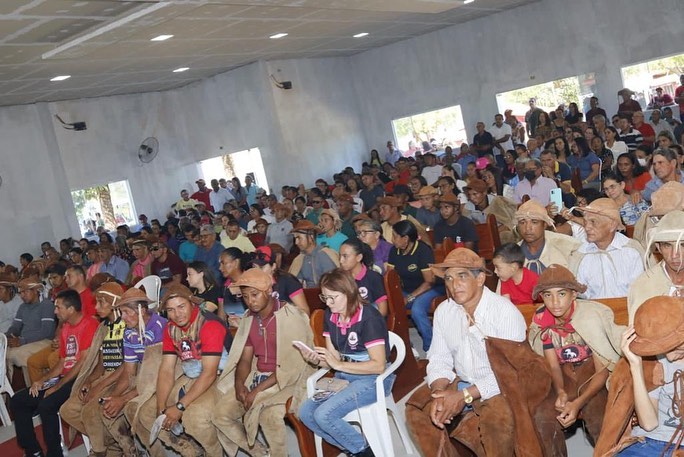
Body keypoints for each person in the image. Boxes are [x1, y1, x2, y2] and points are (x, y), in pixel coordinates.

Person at [407, 248, 527, 456]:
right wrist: (439, 392)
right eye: (449, 278)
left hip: (500, 386)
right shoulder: (444, 310)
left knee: (497, 420)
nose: (454, 285)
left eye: (462, 276)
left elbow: (511, 373)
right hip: (462, 380)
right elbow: (438, 357)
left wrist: (463, 396)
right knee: (417, 409)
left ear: (480, 279)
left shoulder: (503, 312)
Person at [213, 268, 313, 457]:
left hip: (287, 380)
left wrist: (256, 392)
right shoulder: (248, 319)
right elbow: (245, 358)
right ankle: (260, 453)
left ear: (268, 291)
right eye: (245, 296)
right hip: (259, 376)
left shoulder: (290, 316)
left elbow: (292, 367)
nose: (250, 301)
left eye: (255, 294)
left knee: (268, 416)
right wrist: (239, 384)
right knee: (220, 414)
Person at [298, 269, 392, 457]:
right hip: (345, 376)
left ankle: (363, 453)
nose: (329, 303)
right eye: (325, 297)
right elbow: (332, 361)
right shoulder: (330, 315)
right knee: (306, 413)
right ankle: (357, 449)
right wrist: (317, 360)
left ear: (348, 293)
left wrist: (338, 365)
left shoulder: (369, 317)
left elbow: (378, 365)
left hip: (373, 378)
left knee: (324, 415)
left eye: (333, 297)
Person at [528, 265, 624, 443]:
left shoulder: (590, 317)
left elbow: (602, 370)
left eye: (562, 294)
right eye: (548, 295)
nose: (555, 302)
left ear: (573, 295)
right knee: (542, 416)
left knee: (598, 416)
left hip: (593, 375)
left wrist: (579, 402)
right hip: (565, 374)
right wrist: (561, 391)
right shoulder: (544, 322)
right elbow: (554, 366)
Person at [135, 283, 230, 457]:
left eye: (181, 307)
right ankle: (191, 452)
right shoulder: (170, 328)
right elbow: (166, 369)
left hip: (218, 376)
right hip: (191, 374)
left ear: (192, 303)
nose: (176, 315)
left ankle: (215, 452)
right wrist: (161, 407)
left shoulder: (209, 324)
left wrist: (179, 406)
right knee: (148, 414)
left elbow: (209, 373)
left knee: (194, 419)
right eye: (170, 310)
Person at [11, 289, 99, 457]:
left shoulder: (90, 325)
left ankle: (55, 453)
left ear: (71, 309)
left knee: (46, 405)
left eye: (58, 307)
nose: (55, 311)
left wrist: (57, 386)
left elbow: (83, 363)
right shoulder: (66, 328)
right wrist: (42, 381)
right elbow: (62, 363)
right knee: (18, 401)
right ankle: (33, 450)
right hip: (64, 378)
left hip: (81, 379)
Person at [59, 282, 126, 457]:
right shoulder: (104, 328)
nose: (96, 308)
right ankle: (110, 442)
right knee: (67, 410)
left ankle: (99, 451)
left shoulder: (126, 325)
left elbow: (128, 365)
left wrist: (98, 386)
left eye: (101, 303)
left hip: (122, 377)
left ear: (114, 303)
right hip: (105, 375)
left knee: (89, 410)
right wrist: (89, 380)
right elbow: (101, 364)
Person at [99, 286, 167, 457]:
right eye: (121, 313)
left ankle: (172, 450)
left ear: (142, 310)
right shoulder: (128, 332)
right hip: (144, 376)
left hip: (162, 377)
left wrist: (123, 399)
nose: (123, 318)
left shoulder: (158, 327)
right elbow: (129, 372)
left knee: (133, 409)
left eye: (128, 312)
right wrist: (114, 397)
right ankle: (131, 451)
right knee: (106, 408)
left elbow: (156, 376)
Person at [615, 296, 684, 456]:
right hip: (652, 441)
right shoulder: (656, 362)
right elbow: (649, 423)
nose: (663, 351)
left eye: (668, 344)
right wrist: (636, 366)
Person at [569, 198, 645, 298]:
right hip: (594, 311)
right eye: (585, 222)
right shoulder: (580, 254)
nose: (587, 227)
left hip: (628, 311)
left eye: (593, 222)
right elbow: (579, 296)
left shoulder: (632, 251)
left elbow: (641, 291)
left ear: (612, 225)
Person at [387, 220, 442, 352]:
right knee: (388, 305)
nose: (392, 239)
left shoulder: (423, 250)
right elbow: (391, 276)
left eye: (395, 236)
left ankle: (432, 348)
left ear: (405, 238)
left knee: (417, 310)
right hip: (408, 289)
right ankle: (404, 345)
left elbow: (429, 281)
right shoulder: (394, 251)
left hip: (432, 288)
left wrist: (410, 297)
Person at [627, 211, 684, 322]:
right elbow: (638, 334)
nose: (674, 255)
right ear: (658, 247)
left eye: (682, 245)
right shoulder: (643, 285)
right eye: (667, 245)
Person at [6, 278, 56, 380]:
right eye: (20, 293)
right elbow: (16, 327)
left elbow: (46, 332)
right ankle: (7, 391)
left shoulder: (46, 305)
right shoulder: (22, 307)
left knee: (18, 355)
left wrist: (23, 340)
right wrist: (7, 336)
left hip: (44, 341)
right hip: (26, 341)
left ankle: (32, 389)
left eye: (25, 292)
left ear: (36, 290)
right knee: (4, 354)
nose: (22, 296)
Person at [515, 199, 580, 273]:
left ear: (545, 225)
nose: (527, 228)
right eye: (522, 222)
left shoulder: (567, 247)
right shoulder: (511, 255)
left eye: (534, 222)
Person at [250, 245, 309, 315]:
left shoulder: (288, 281)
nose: (258, 271)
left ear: (273, 266)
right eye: (254, 267)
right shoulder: (251, 284)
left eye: (262, 267)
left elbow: (305, 311)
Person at [339, 238, 388, 316]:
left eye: (345, 256)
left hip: (371, 321)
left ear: (359, 257)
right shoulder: (340, 278)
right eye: (340, 256)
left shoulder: (373, 277)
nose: (341, 260)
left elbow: (383, 310)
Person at [289, 220, 340, 288]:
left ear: (311, 237)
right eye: (295, 239)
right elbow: (296, 284)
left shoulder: (324, 255)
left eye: (299, 238)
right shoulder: (300, 259)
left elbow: (333, 283)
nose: (296, 242)